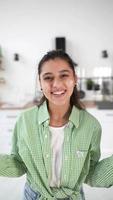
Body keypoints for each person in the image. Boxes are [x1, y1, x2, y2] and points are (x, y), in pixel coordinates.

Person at [0, 50, 113, 200]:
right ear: (40, 83)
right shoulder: (25, 121)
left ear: (74, 79)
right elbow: (19, 164)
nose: (57, 84)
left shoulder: (91, 126)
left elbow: (90, 173)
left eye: (64, 75)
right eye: (48, 77)